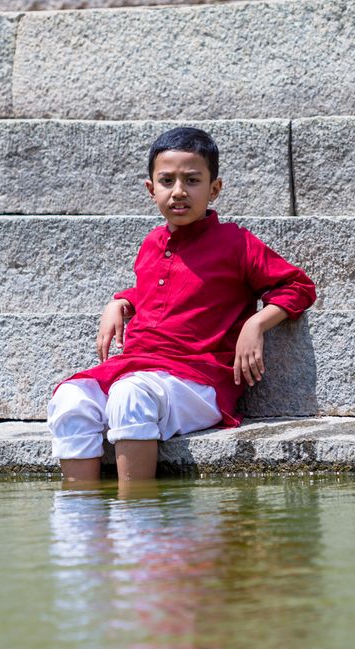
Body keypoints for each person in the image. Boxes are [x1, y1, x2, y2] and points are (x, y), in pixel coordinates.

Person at [47, 127, 316, 483]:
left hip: (197, 379)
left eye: (192, 180)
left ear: (214, 189)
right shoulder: (152, 243)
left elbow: (297, 285)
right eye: (167, 180)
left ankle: (136, 523)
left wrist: (256, 324)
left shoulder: (236, 243)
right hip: (139, 366)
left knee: (129, 397)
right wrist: (122, 300)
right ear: (150, 189)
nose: (178, 192)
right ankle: (80, 525)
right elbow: (166, 291)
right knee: (70, 398)